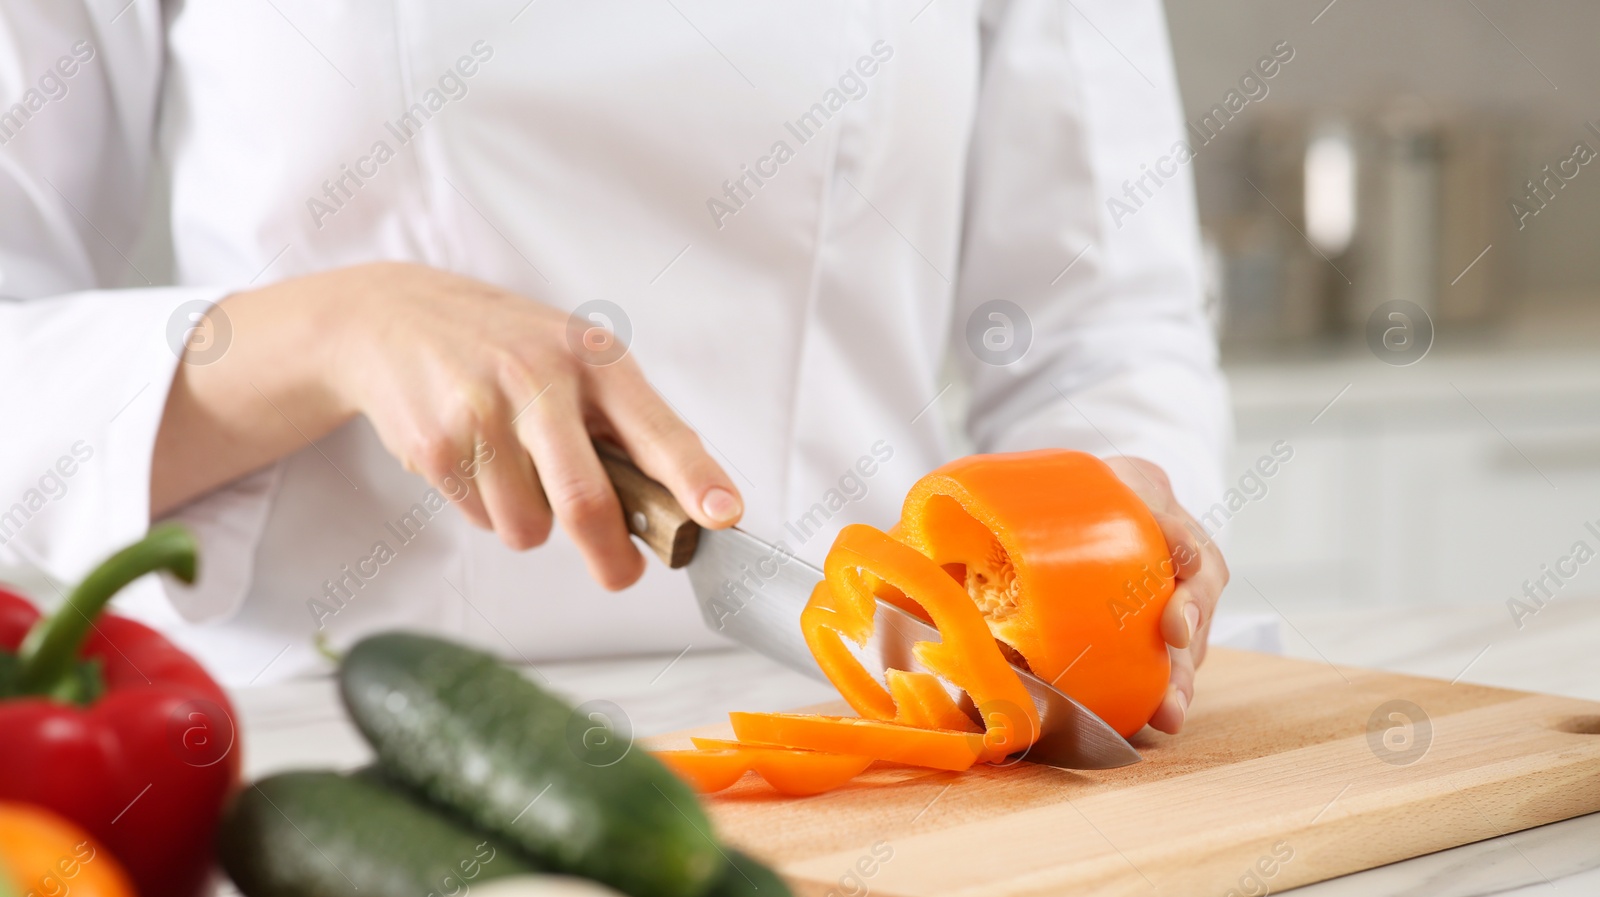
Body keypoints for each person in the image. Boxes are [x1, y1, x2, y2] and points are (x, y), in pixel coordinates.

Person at [0, 0, 1228, 731]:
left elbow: (1103, 329)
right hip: (323, 756)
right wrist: (331, 328)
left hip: (885, 736)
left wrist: (1109, 556)